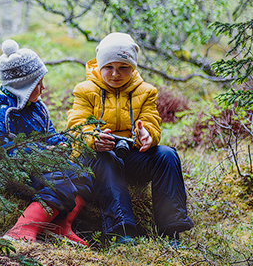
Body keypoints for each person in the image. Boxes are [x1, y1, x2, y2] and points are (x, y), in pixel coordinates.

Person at [66, 32, 193, 245]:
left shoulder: (146, 92)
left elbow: (151, 121)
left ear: (133, 67)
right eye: (108, 67)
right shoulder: (85, 90)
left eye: (123, 67)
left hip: (131, 156)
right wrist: (94, 139)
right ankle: (120, 231)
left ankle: (171, 229)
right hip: (97, 160)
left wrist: (148, 136)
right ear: (99, 65)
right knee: (107, 159)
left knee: (167, 155)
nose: (115, 74)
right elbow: (76, 126)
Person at [0, 39, 92, 246]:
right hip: (10, 172)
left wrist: (59, 143)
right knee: (58, 182)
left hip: (40, 165)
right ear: (23, 85)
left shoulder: (36, 108)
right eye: (38, 83)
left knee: (83, 175)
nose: (43, 87)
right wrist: (43, 153)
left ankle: (60, 226)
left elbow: (49, 133)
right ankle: (21, 230)